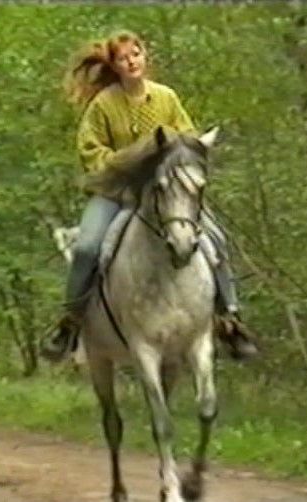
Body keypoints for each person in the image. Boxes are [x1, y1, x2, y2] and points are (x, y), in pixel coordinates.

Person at [40, 30, 258, 362]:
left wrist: (185, 157)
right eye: (123, 58)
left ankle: (230, 318)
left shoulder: (166, 98)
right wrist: (129, 160)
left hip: (166, 193)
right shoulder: (103, 105)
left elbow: (187, 138)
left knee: (216, 239)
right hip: (117, 193)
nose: (131, 62)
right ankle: (70, 323)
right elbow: (90, 151)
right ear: (115, 65)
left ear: (145, 57)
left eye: (135, 54)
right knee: (86, 248)